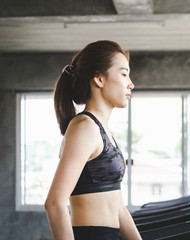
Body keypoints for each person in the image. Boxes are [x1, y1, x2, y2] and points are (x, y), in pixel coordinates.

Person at [45, 40, 142, 240]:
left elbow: (118, 207)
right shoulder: (85, 127)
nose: (131, 83)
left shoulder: (104, 131)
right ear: (99, 79)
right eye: (124, 74)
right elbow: (54, 203)